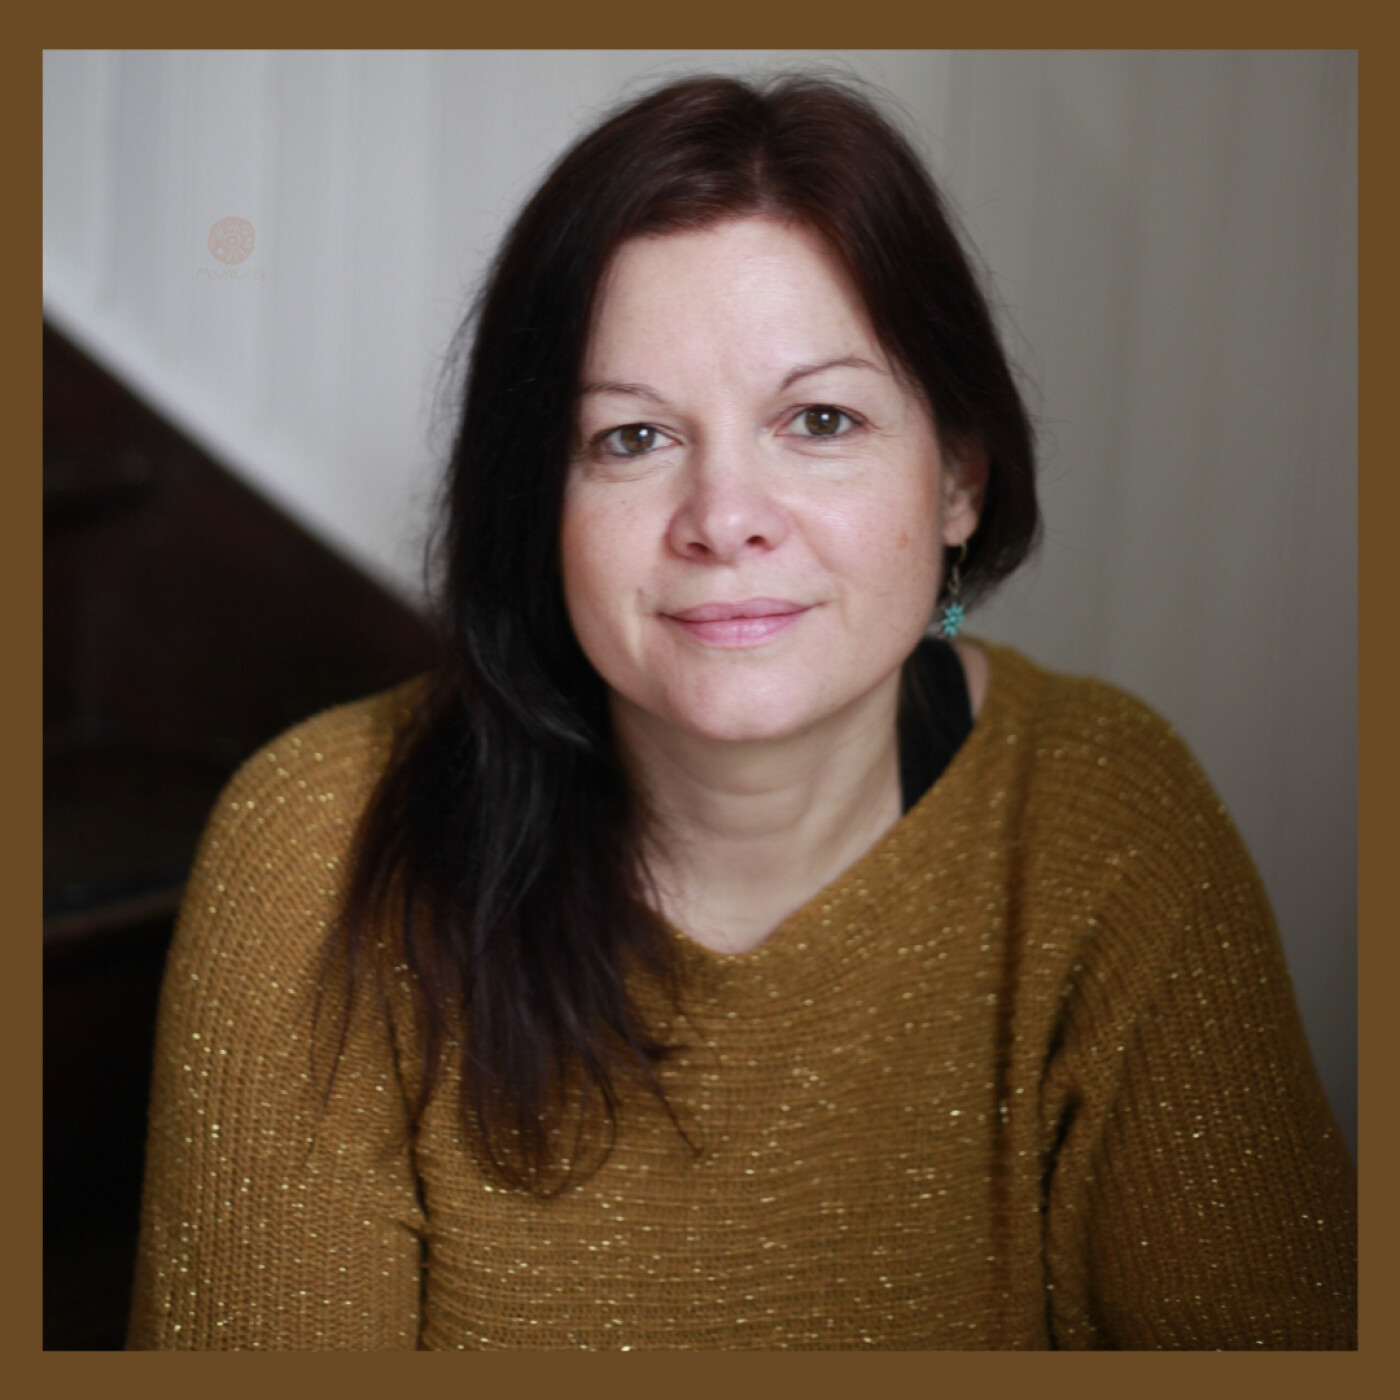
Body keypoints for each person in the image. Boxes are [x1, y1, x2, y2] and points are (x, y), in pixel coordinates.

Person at [127, 73, 1356, 1350]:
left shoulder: (1107, 817)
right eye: (630, 438)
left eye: (819, 419)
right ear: (535, 501)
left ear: (957, 479)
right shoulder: (315, 849)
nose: (723, 518)